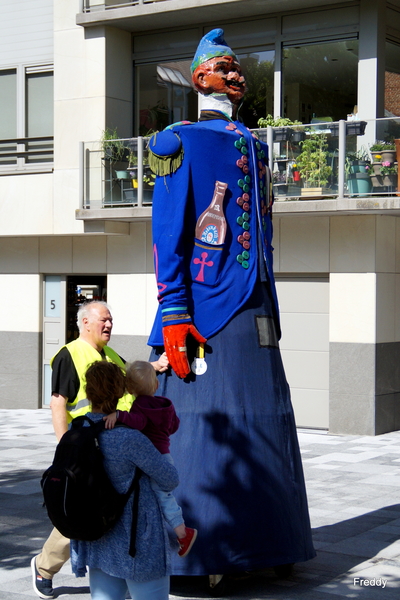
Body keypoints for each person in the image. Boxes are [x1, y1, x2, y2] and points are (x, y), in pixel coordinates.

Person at [147, 28, 316, 580]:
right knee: (204, 431)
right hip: (208, 307)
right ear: (201, 78)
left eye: (239, 66)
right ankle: (206, 557)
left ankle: (270, 546)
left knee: (265, 424)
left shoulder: (256, 145)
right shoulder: (179, 141)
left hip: (256, 302)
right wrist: (174, 312)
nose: (237, 74)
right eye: (225, 66)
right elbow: (167, 234)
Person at [32, 301, 168, 599]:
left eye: (111, 320)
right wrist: (66, 448)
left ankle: (113, 571)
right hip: (86, 447)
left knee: (99, 508)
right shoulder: (70, 354)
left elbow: (129, 383)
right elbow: (58, 403)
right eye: (103, 320)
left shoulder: (109, 355)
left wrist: (155, 367)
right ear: (85, 322)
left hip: (112, 442)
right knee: (81, 509)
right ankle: (44, 567)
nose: (108, 325)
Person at [70, 360, 179, 600]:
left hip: (97, 538)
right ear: (121, 392)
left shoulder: (76, 429)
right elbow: (170, 479)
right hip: (137, 542)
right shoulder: (130, 438)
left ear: (89, 392)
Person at [104, 360, 197, 557]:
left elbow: (139, 422)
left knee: (164, 497)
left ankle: (182, 533)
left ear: (129, 389)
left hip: (154, 458)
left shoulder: (138, 406)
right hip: (165, 454)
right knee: (161, 495)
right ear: (155, 385)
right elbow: (174, 426)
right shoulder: (166, 405)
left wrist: (119, 415)